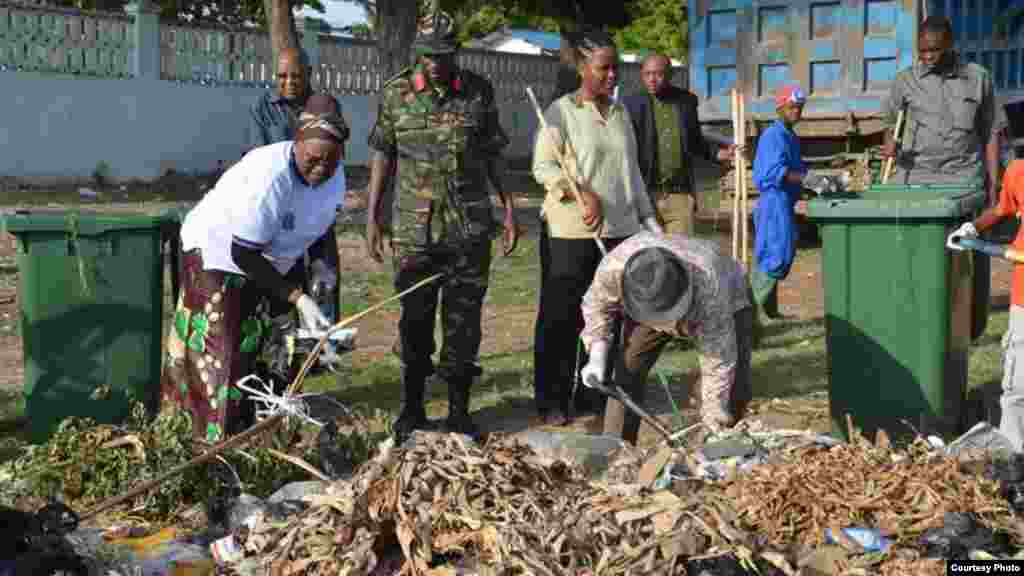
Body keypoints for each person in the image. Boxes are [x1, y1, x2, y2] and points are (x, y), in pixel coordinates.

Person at [364, 10, 519, 442]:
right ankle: (411, 409)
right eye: (427, 54)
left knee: (464, 324)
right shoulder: (395, 94)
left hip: (468, 231)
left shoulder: (477, 92)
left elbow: (492, 156)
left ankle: (458, 412)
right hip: (414, 233)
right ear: (417, 52)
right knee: (414, 323)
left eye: (443, 54)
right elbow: (383, 155)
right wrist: (372, 214)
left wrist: (508, 209)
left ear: (456, 53)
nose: (435, 62)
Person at [162, 94, 349, 442]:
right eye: (313, 159)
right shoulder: (269, 179)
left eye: (331, 161)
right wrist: (297, 297)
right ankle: (209, 448)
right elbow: (243, 255)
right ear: (296, 144)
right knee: (221, 357)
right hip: (218, 257)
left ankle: (261, 438)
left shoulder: (334, 177)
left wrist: (322, 297)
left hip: (276, 258)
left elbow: (322, 235)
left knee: (280, 348)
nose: (321, 168)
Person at [531, 28, 662, 426]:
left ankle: (593, 394)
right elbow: (544, 167)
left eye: (615, 68)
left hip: (619, 231)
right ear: (582, 68)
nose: (612, 76)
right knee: (563, 316)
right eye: (604, 68)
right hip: (572, 233)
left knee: (607, 317)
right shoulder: (561, 111)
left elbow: (632, 174)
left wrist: (649, 221)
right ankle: (552, 399)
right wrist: (580, 192)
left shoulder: (621, 114)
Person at [579, 232, 754, 444]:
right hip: (650, 306)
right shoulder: (616, 268)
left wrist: (715, 417)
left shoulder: (711, 287)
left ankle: (723, 449)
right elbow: (596, 306)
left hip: (729, 298)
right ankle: (616, 451)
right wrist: (597, 355)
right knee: (627, 372)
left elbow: (719, 363)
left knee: (732, 388)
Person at [248, 47, 343, 353]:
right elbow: (257, 157)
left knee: (323, 276)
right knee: (281, 278)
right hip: (280, 205)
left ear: (309, 76)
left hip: (316, 200)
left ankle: (321, 348)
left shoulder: (324, 106)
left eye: (296, 76)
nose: (288, 81)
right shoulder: (263, 108)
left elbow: (335, 151)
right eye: (282, 76)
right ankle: (279, 345)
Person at [881, 16, 1006, 205]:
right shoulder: (904, 81)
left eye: (934, 50)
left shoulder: (978, 78)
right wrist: (890, 143)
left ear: (949, 44)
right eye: (922, 51)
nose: (928, 57)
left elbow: (992, 132)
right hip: (915, 176)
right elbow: (890, 125)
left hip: (962, 178)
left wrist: (994, 184)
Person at [948, 160, 1024, 451]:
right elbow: (1003, 208)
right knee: (1017, 387)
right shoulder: (1018, 171)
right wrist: (973, 229)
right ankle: (1014, 459)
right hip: (1023, 301)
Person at [623, 52, 739, 236]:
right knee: (650, 257)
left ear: (670, 75)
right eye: (648, 74)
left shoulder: (686, 102)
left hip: (679, 197)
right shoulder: (631, 104)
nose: (652, 79)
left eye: (659, 74)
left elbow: (695, 142)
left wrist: (719, 154)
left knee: (680, 257)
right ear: (642, 74)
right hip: (646, 196)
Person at [751, 85, 809, 323]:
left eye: (800, 108)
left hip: (784, 201)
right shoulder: (773, 136)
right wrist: (806, 178)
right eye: (792, 107)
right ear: (780, 108)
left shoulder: (789, 136)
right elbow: (774, 172)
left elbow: (794, 169)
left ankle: (769, 312)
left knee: (773, 253)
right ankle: (749, 315)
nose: (796, 112)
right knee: (776, 256)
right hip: (774, 201)